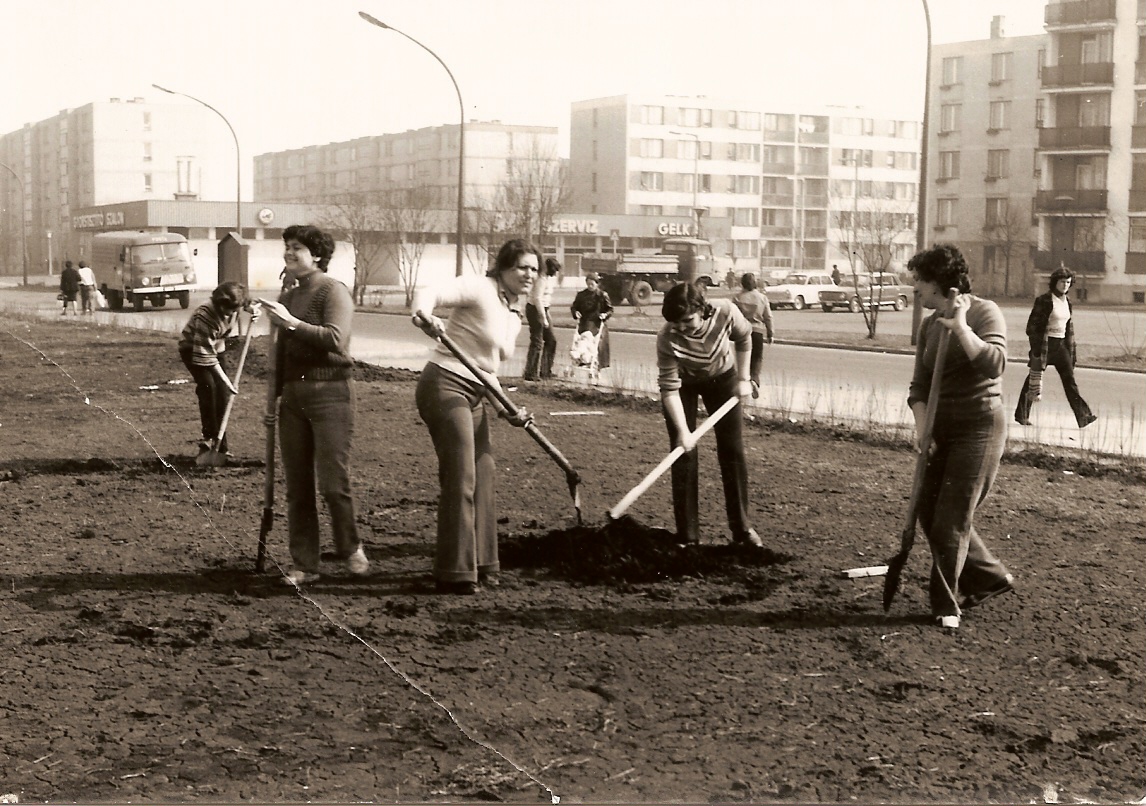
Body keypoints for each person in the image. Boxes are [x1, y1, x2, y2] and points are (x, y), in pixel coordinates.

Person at [412, 239, 538, 595]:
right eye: (521, 267)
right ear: (503, 268)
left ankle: (484, 564)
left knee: (485, 473)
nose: (529, 275)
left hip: (477, 392)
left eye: (534, 269)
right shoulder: (480, 288)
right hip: (443, 384)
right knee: (462, 476)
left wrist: (506, 408)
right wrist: (424, 315)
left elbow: (487, 369)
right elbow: (430, 292)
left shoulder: (515, 312)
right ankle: (454, 572)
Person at [907, 244, 1014, 630]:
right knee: (927, 510)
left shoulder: (985, 312)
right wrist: (924, 430)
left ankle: (946, 604)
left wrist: (963, 328)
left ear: (938, 282)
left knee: (951, 519)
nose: (914, 286)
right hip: (942, 429)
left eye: (919, 279)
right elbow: (918, 387)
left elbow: (995, 364)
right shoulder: (929, 323)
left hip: (979, 428)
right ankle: (989, 576)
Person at [259, 224, 369, 586]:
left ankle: (350, 546)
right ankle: (305, 564)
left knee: (332, 482)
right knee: (297, 485)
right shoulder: (289, 296)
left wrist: (290, 323)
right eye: (287, 247)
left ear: (318, 255)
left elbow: (336, 340)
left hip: (331, 394)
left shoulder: (332, 290)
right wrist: (272, 400)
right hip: (293, 397)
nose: (289, 253)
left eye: (297, 248)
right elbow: (280, 355)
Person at [656, 282, 762, 548]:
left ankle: (742, 530)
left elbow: (745, 337)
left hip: (722, 379)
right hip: (684, 386)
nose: (681, 327)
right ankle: (688, 535)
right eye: (675, 322)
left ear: (700, 309)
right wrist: (683, 432)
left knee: (732, 451)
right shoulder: (667, 337)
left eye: (687, 320)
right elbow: (669, 390)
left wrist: (744, 378)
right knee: (683, 454)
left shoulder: (725, 311)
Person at [1014, 266, 1096, 429]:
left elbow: (1067, 327)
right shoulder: (1044, 300)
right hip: (1045, 345)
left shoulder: (1068, 302)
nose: (1065, 285)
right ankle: (1022, 415)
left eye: (1068, 282)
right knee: (1033, 380)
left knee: (1070, 381)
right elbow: (1031, 326)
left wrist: (1070, 349)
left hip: (1061, 347)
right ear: (1054, 283)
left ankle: (1083, 417)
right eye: (1062, 282)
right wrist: (1036, 347)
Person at [178, 281, 248, 458]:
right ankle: (209, 438)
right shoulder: (206, 315)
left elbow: (247, 302)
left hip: (217, 347)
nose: (229, 314)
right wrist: (225, 379)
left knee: (223, 395)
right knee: (209, 387)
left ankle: (222, 447)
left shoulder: (235, 305)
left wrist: (253, 311)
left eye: (233, 310)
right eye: (226, 310)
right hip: (193, 348)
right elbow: (205, 355)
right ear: (218, 303)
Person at [730, 272, 775, 397]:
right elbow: (768, 317)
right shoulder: (762, 298)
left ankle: (743, 381)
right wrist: (770, 333)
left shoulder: (737, 298)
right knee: (757, 357)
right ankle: (754, 380)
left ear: (742, 283)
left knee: (742, 357)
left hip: (742, 331)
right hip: (757, 331)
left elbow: (732, 316)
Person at [523, 257, 561, 381]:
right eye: (554, 270)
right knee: (537, 341)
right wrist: (543, 317)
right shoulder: (541, 279)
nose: (555, 273)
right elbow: (537, 299)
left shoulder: (547, 278)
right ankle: (530, 373)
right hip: (536, 309)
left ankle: (545, 371)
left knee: (551, 340)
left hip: (544, 309)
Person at [570, 272, 613, 371]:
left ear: (597, 284)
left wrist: (605, 314)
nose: (590, 286)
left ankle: (595, 364)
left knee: (596, 343)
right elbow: (574, 307)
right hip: (584, 322)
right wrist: (576, 312)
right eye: (588, 284)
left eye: (592, 284)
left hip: (597, 322)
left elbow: (610, 309)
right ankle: (582, 357)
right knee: (583, 339)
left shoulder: (602, 295)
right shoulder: (581, 295)